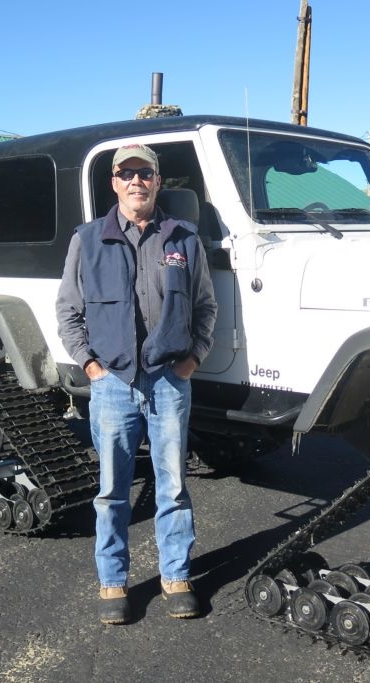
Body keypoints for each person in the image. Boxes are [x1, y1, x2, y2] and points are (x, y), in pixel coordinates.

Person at [56, 144, 217, 625]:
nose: (135, 182)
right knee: (112, 490)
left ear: (157, 181)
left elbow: (205, 307)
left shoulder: (183, 239)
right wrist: (89, 366)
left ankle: (176, 575)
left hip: (170, 380)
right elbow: (68, 312)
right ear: (114, 183)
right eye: (126, 174)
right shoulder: (87, 241)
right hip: (112, 384)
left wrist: (192, 361)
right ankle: (112, 582)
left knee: (173, 487)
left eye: (144, 173)